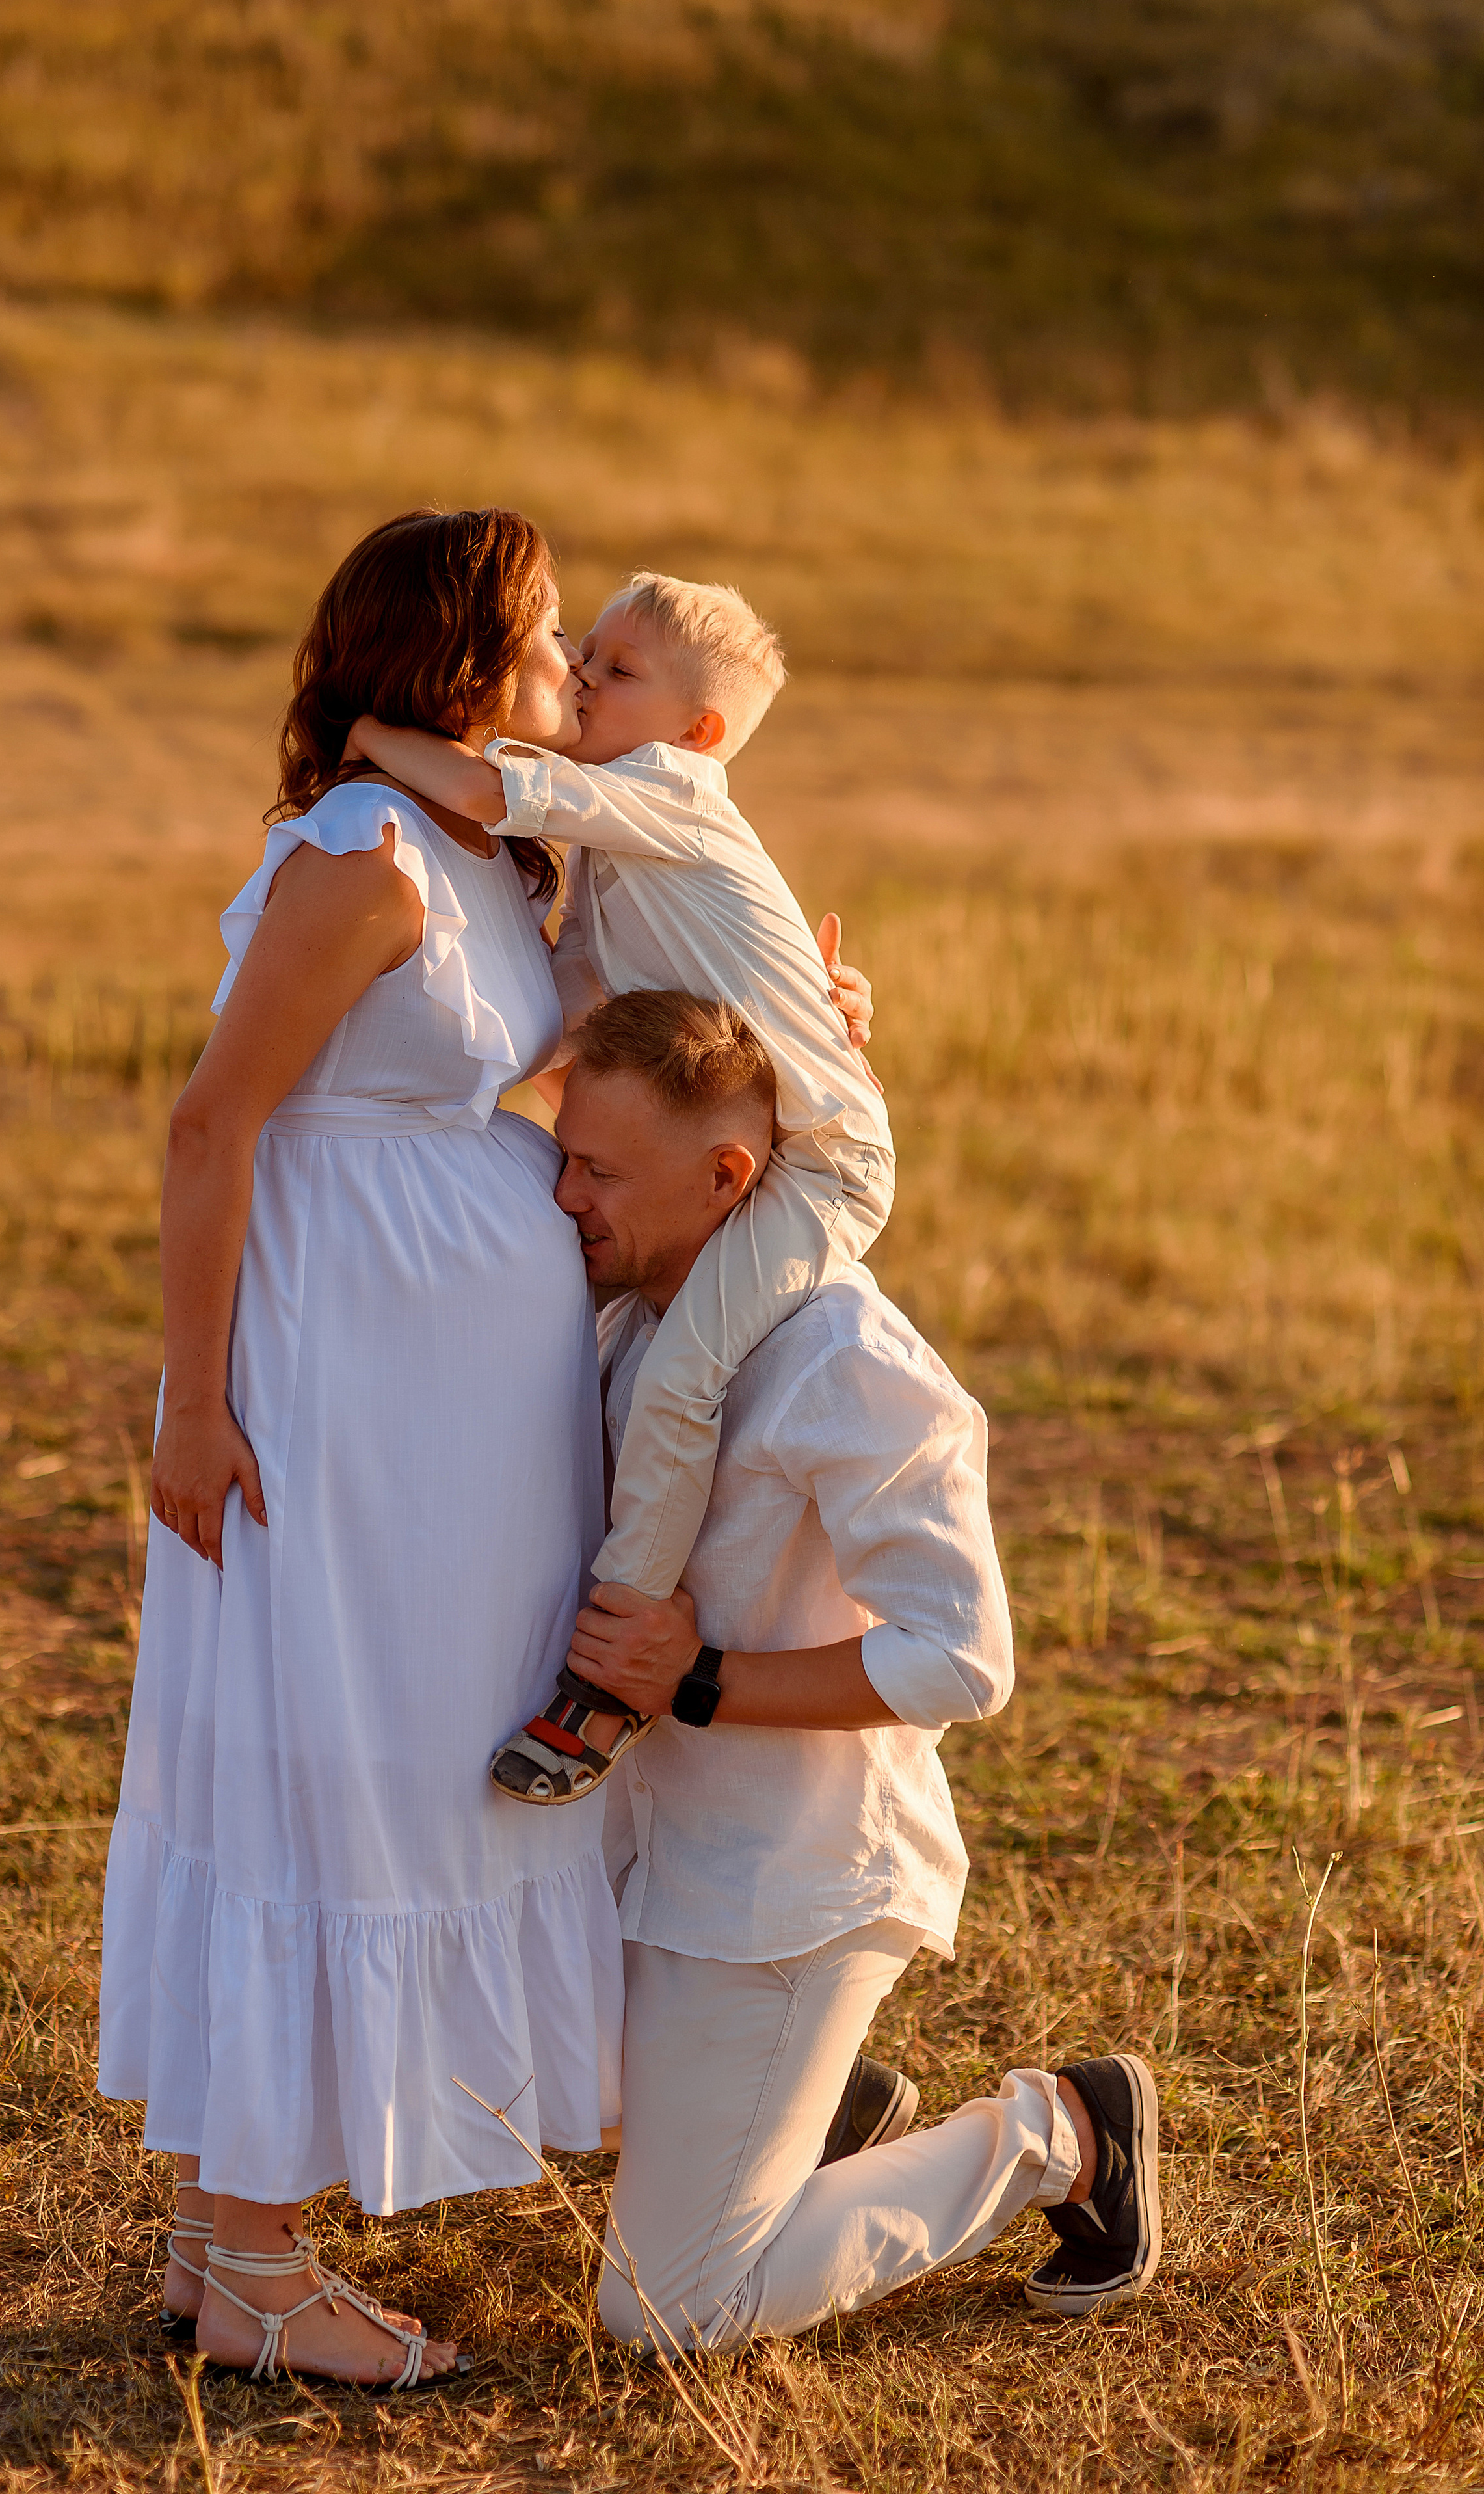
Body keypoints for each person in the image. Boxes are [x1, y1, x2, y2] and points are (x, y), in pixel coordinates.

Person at [96, 507, 626, 2390]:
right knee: (324, 1778)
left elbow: (507, 1090)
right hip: (325, 1405)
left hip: (441, 1432)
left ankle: (214, 2242)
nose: (574, 681)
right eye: (557, 643)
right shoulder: (364, 853)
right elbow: (211, 1127)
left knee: (397, 1766)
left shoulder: (494, 857)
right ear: (465, 665)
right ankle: (254, 2263)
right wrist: (200, 1397)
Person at [549, 989, 1164, 2351]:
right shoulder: (641, 1316)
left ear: (725, 1177)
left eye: (596, 1170)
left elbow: (961, 1657)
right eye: (562, 1151)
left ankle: (1058, 2133)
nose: (561, 1191)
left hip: (784, 1881)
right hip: (642, 1852)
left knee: (672, 2309)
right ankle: (824, 2114)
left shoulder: (844, 1358)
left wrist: (695, 1679)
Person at [345, 573, 894, 1808]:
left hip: (820, 1155)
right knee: (609, 1353)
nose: (584, 676)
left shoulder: (668, 797)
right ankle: (546, 1604)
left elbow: (487, 787)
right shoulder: (606, 849)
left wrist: (369, 731)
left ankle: (616, 1670)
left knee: (684, 1368)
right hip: (727, 1134)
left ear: (699, 732)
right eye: (584, 653)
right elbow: (565, 1018)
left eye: (620, 669)